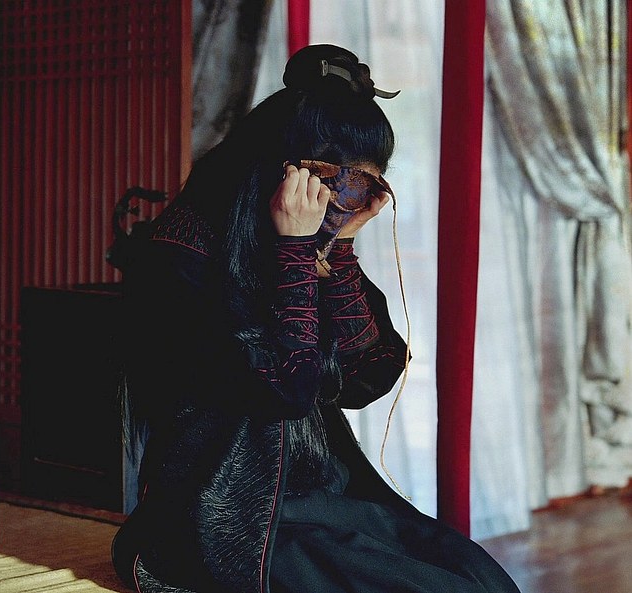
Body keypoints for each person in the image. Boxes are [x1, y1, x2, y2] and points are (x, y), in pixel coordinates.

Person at [111, 44, 521, 593]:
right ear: (289, 175)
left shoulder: (297, 245)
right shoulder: (180, 256)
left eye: (370, 189)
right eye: (346, 188)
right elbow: (287, 389)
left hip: (320, 496)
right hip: (223, 515)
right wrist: (295, 253)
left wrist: (340, 250)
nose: (351, 205)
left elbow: (366, 377)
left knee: (478, 577)